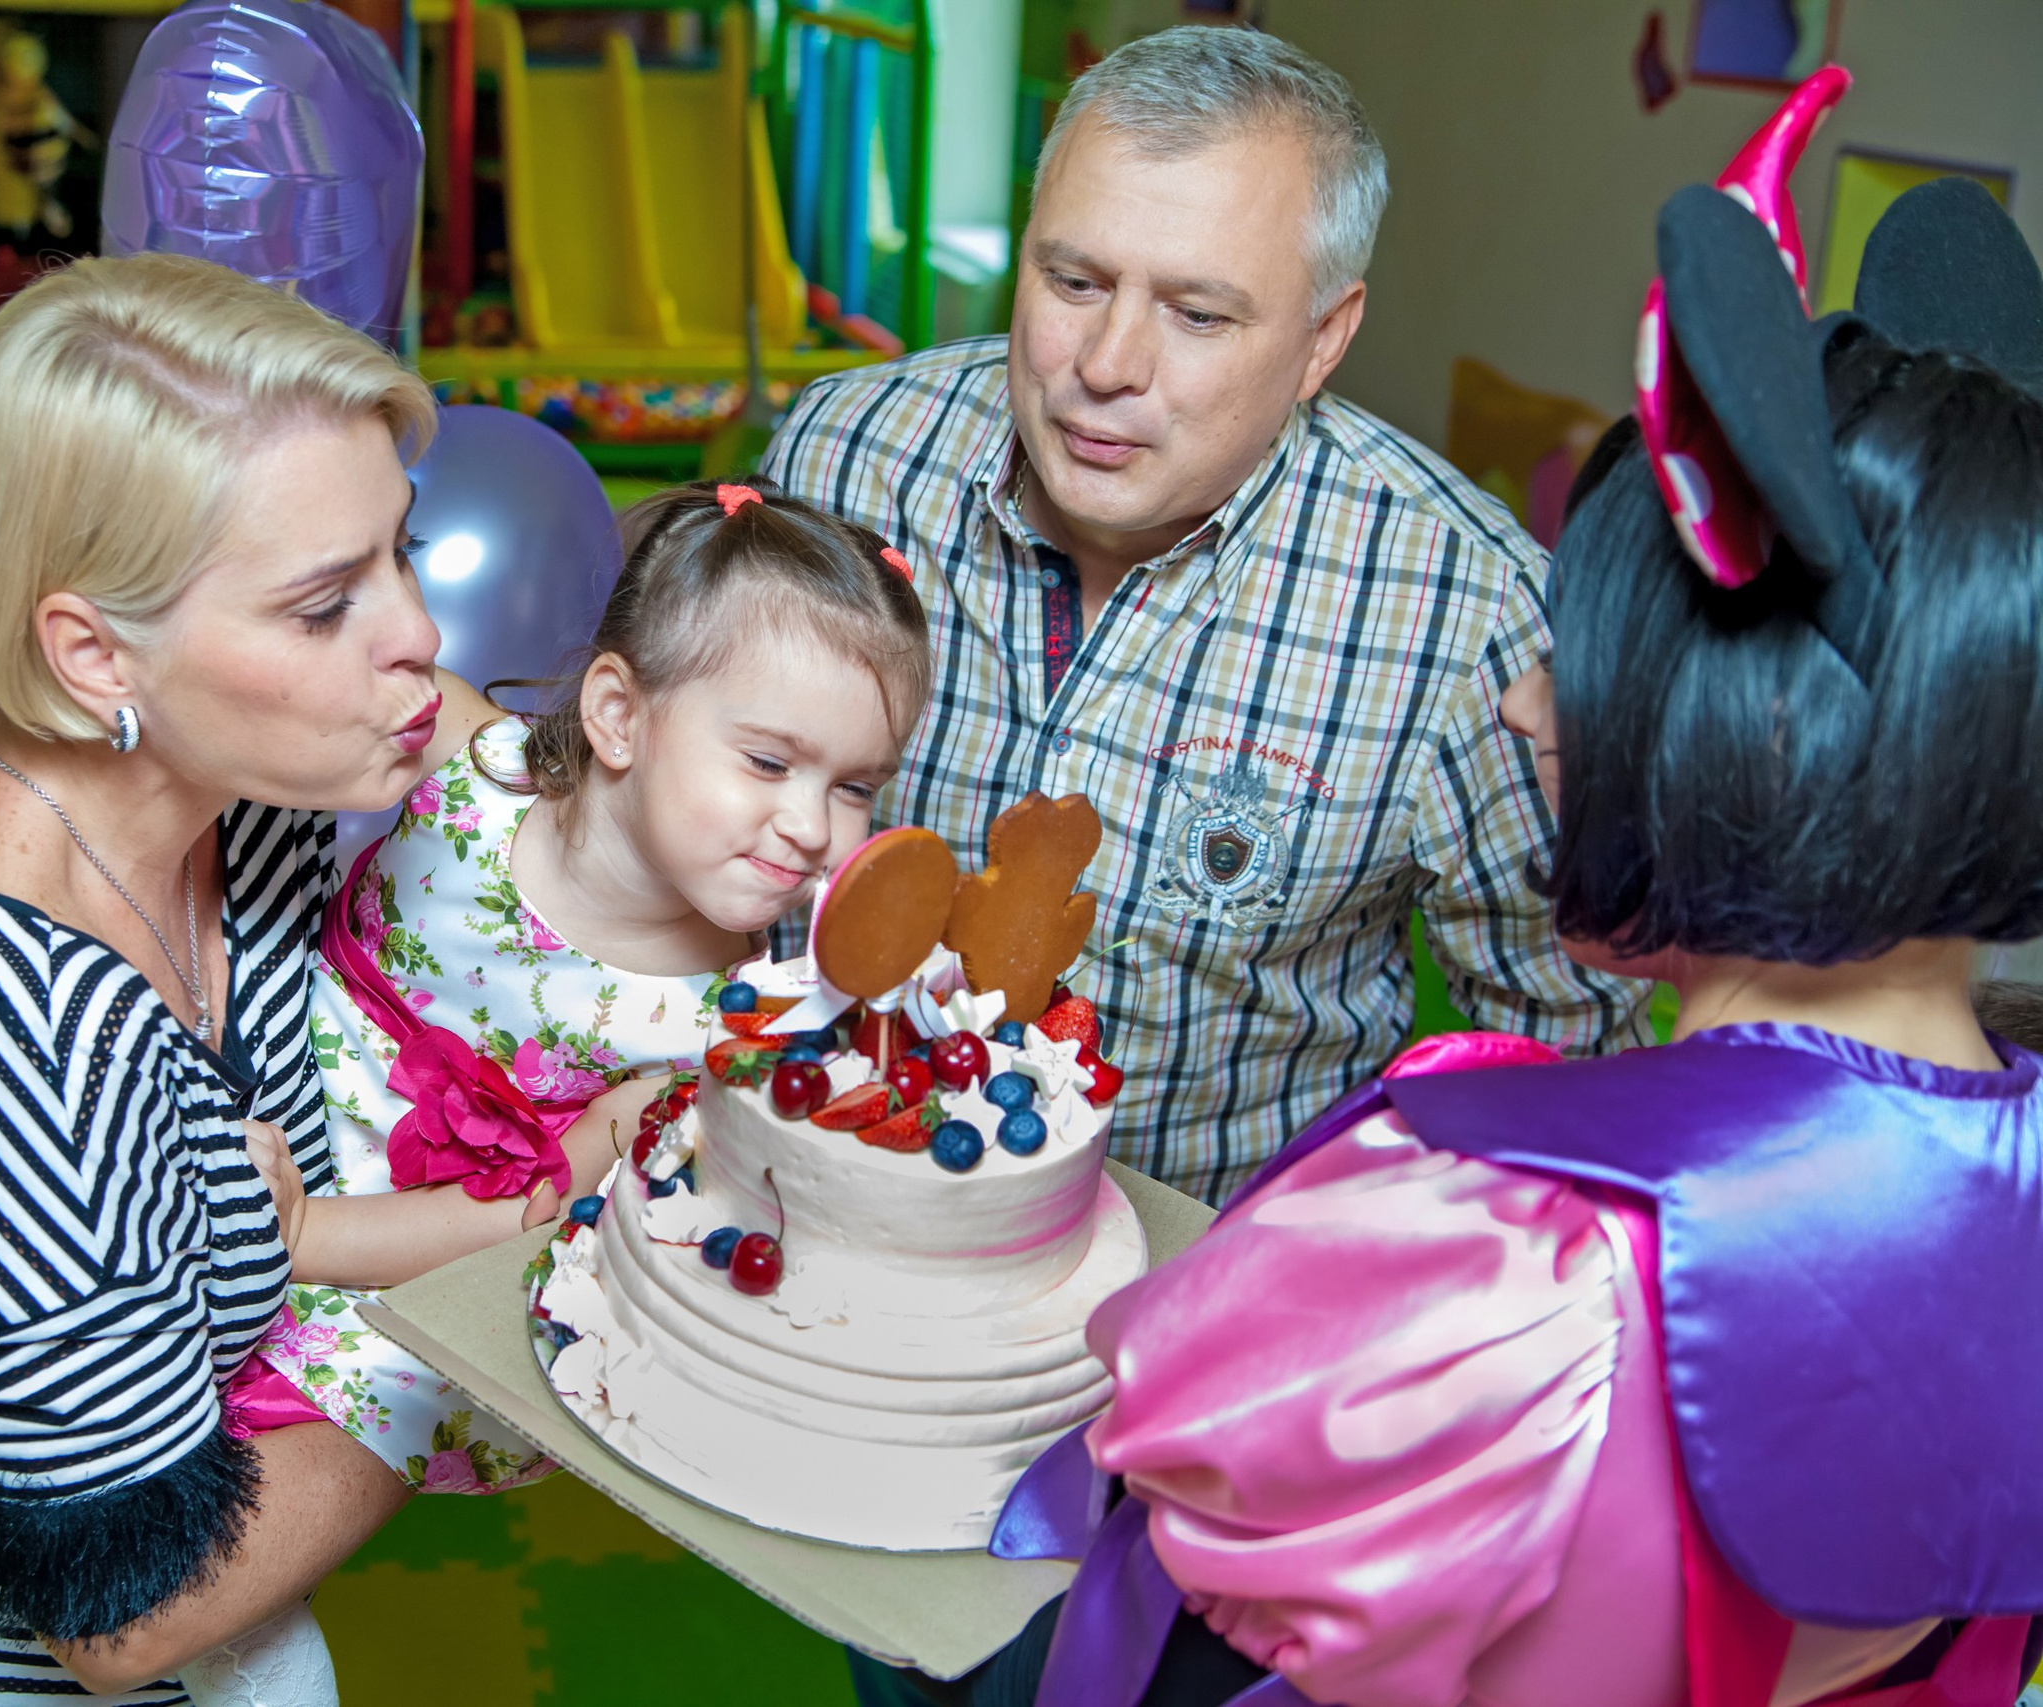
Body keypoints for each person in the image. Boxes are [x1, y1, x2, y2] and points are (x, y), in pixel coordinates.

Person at [987, 80, 2043, 1707]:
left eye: (1576, 656)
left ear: (1743, 733)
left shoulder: (1510, 1272)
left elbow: (1179, 1461)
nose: (1523, 707)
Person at [0, 252, 642, 1705]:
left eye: (402, 552)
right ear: (94, 650)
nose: (418, 637)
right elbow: (128, 1616)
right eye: (322, 607)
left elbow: (501, 767)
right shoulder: (19, 1055)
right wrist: (492, 1336)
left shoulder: (223, 781)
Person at [760, 25, 1648, 1203]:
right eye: (1073, 282)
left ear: (1323, 339)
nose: (1107, 364)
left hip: (1192, 1305)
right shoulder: (846, 456)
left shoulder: (1467, 617)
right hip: (794, 1198)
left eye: (1199, 315)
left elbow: (1563, 1071)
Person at [201, 479, 933, 1671]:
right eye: (767, 760)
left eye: (854, 785)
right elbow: (277, 683)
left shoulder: (713, 1043)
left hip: (413, 1245)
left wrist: (305, 1239)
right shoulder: (476, 766)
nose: (811, 826)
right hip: (275, 1074)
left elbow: (515, 1210)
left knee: (234, 1517)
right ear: (618, 716)